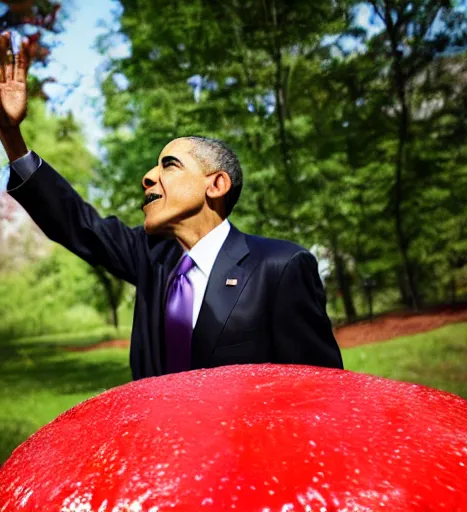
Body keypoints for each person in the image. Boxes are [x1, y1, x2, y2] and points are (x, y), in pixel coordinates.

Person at [0, 32, 343, 379]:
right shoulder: (149, 257)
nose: (148, 177)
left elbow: (319, 391)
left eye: (170, 165)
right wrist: (11, 137)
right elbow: (76, 222)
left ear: (216, 184)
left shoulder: (280, 267)